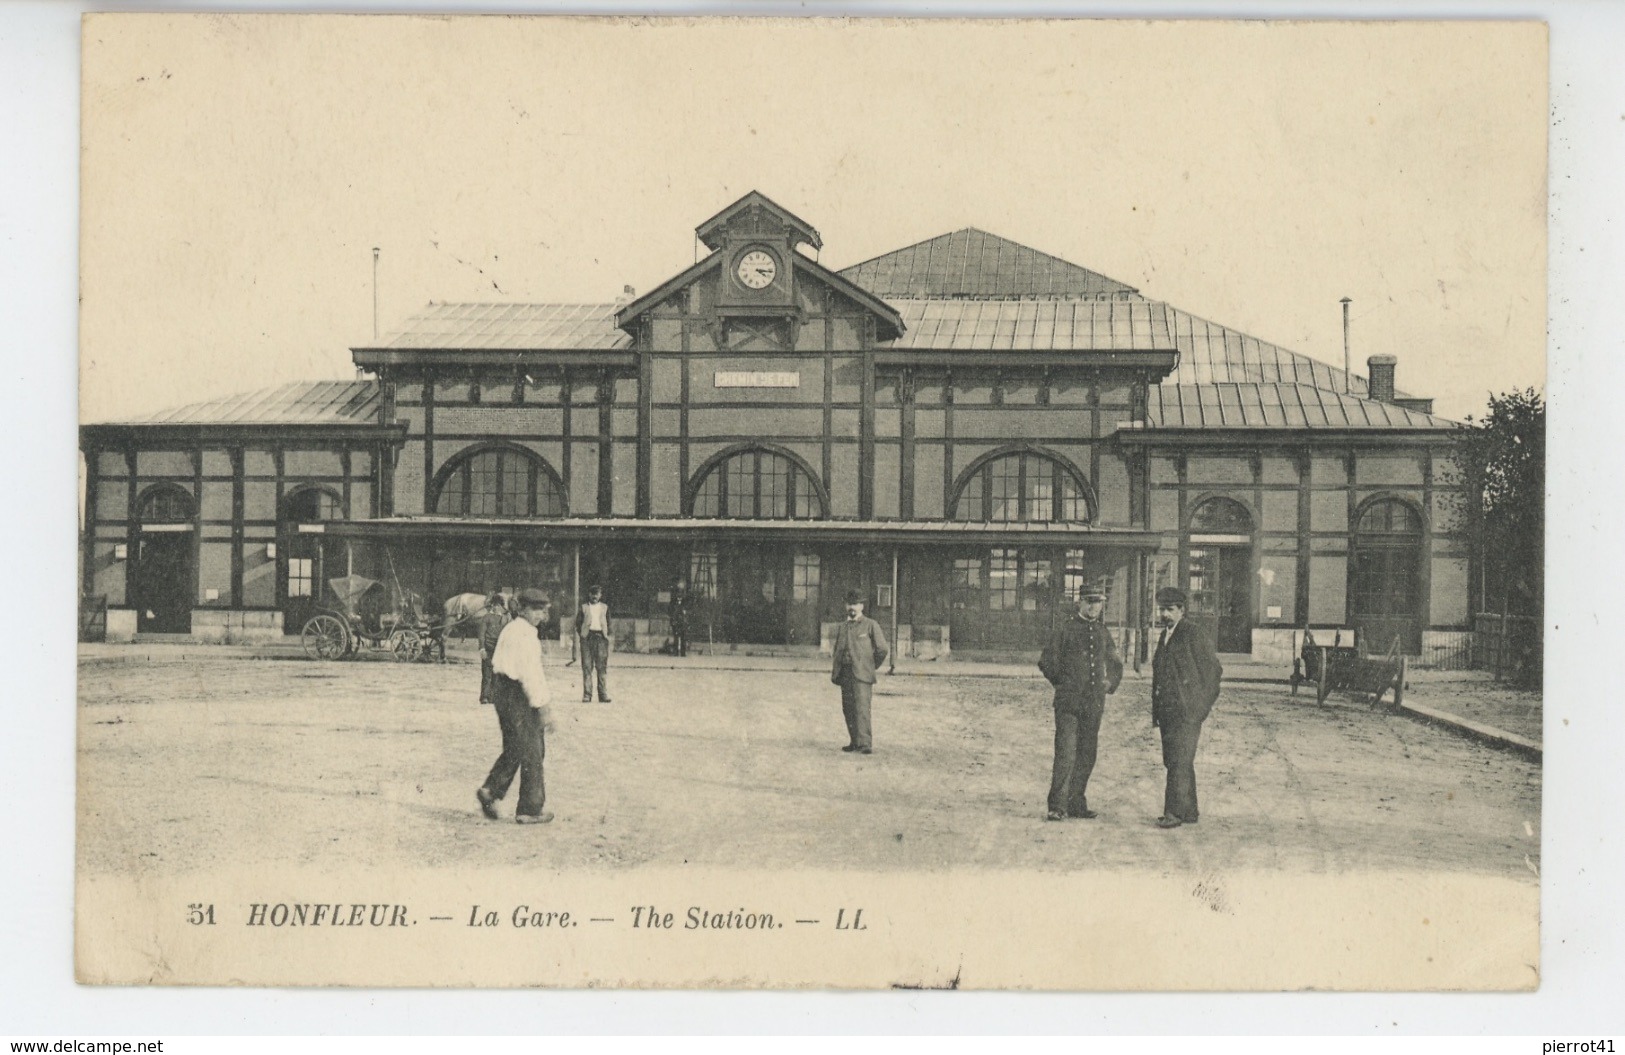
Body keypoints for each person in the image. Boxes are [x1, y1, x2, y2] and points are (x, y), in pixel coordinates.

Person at [1037, 586, 1123, 821]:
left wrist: (1109, 683)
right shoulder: (1065, 629)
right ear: (1080, 603)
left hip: (1094, 704)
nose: (1094, 607)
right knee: (1066, 753)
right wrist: (1061, 683)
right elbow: (1046, 661)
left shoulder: (1103, 632)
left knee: (1087, 754)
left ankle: (1076, 803)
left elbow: (1115, 664)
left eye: (1098, 602)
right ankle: (1057, 806)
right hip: (1068, 704)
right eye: (1089, 602)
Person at [476, 588, 557, 825]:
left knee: (515, 745)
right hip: (518, 694)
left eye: (543, 611)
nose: (540, 616)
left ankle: (491, 789)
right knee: (533, 749)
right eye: (535, 610)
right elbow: (531, 675)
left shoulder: (510, 628)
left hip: (501, 691)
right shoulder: (526, 635)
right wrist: (543, 707)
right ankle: (530, 809)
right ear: (522, 609)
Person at [1149, 586, 1223, 829]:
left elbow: (1213, 673)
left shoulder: (1194, 634)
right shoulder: (1165, 635)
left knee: (1179, 760)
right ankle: (1189, 810)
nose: (1165, 615)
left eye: (1170, 610)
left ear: (1182, 610)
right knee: (1177, 760)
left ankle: (1174, 812)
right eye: (1162, 610)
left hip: (1187, 711)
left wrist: (1200, 707)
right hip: (1168, 711)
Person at [830, 589, 888, 754]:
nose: (852, 607)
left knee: (862, 708)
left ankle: (865, 744)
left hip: (862, 674)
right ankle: (854, 741)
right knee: (848, 708)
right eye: (849, 604)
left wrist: (870, 665)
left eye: (855, 604)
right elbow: (837, 650)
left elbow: (882, 649)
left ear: (862, 606)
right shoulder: (843, 627)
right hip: (845, 673)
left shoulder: (871, 625)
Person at [575, 584, 612, 703]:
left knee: (601, 667)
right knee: (587, 666)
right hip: (587, 639)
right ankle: (587, 695)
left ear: (600, 595)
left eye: (597, 593)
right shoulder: (584, 607)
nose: (594, 596)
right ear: (589, 595)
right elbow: (578, 623)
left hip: (601, 639)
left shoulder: (605, 608)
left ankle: (603, 694)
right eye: (592, 593)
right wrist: (583, 635)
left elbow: (609, 623)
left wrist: (606, 634)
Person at [476, 591, 511, 706]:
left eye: (499, 606)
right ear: (493, 606)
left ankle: (492, 697)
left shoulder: (505, 619)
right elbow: (481, 635)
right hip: (488, 649)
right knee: (487, 674)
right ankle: (484, 697)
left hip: (499, 651)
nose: (497, 608)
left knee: (496, 674)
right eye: (495, 606)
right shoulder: (486, 618)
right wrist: (482, 649)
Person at [669, 580, 690, 658]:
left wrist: (685, 614)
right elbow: (670, 610)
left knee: (684, 638)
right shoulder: (673, 602)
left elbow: (688, 611)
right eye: (678, 593)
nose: (679, 594)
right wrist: (672, 619)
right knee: (676, 638)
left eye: (681, 593)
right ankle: (675, 652)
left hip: (683, 622)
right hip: (675, 622)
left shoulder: (685, 602)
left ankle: (683, 653)